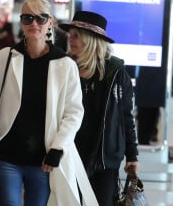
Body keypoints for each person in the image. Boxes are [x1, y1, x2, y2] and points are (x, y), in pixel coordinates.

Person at [0, 0, 98, 206]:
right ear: (21, 22)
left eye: (41, 18)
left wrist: (58, 147)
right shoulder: (5, 57)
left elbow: (74, 112)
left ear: (50, 22)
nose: (34, 23)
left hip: (44, 159)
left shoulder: (65, 64)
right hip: (7, 154)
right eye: (27, 18)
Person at [59, 10, 139, 206]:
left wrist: (132, 155)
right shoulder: (63, 68)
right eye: (70, 34)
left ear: (91, 40)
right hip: (70, 153)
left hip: (105, 157)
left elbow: (126, 117)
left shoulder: (116, 74)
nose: (71, 39)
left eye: (77, 35)